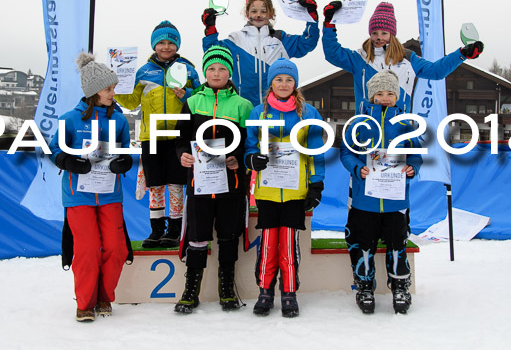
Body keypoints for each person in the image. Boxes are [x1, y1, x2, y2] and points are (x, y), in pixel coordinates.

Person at [50, 52, 134, 322]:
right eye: (108, 88)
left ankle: (103, 296)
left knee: (116, 247)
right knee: (87, 249)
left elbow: (125, 153)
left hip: (110, 194)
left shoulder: (119, 120)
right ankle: (84, 303)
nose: (113, 93)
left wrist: (123, 163)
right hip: (78, 196)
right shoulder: (70, 120)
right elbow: (54, 149)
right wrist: (68, 162)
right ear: (93, 91)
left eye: (113, 88)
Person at [173, 45, 254, 313]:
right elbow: (181, 138)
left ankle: (227, 290)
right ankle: (190, 290)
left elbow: (247, 143)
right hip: (200, 182)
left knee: (228, 236)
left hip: (231, 182)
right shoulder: (193, 101)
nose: (216, 73)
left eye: (221, 69)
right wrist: (184, 154)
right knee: (197, 235)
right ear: (205, 72)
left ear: (229, 73)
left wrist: (237, 158)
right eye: (211, 68)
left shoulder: (243, 105)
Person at [244, 58, 325, 318]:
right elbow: (249, 145)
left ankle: (289, 292)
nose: (283, 84)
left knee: (289, 244)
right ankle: (265, 291)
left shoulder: (309, 113)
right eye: (278, 79)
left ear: (296, 84)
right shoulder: (259, 112)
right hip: (267, 190)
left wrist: (316, 184)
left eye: (289, 79)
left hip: (295, 190)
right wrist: (251, 158)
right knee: (268, 243)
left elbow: (315, 151)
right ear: (271, 83)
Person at [340, 70, 422, 315]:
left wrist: (412, 168)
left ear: (397, 96)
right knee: (363, 243)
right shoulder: (359, 123)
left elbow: (416, 155)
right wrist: (357, 168)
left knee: (397, 243)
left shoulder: (406, 125)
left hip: (396, 200)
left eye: (390, 93)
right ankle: (364, 286)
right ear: (371, 96)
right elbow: (346, 153)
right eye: (379, 93)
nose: (385, 98)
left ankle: (400, 285)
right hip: (365, 200)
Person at [114, 21, 200, 248]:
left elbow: (201, 97)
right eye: (161, 42)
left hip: (178, 136)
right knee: (155, 185)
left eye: (171, 42)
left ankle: (174, 230)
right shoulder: (142, 71)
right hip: (150, 136)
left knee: (175, 184)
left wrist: (186, 93)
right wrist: (118, 89)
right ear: (154, 45)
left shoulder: (188, 69)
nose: (166, 47)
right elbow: (131, 102)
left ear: (177, 45)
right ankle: (156, 230)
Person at [322, 0, 484, 114]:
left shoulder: (408, 59)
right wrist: (329, 23)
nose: (379, 37)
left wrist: (461, 54)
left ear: (392, 34)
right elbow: (332, 53)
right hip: (367, 126)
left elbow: (436, 71)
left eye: (384, 33)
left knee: (403, 164)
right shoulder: (359, 58)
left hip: (399, 128)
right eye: (375, 33)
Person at [202, 0, 320, 106]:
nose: (258, 15)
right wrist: (210, 28)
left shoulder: (281, 39)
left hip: (275, 108)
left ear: (270, 14)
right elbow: (213, 53)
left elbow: (307, 42)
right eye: (254, 11)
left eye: (263, 11)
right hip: (242, 106)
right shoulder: (236, 39)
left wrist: (311, 17)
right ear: (247, 13)